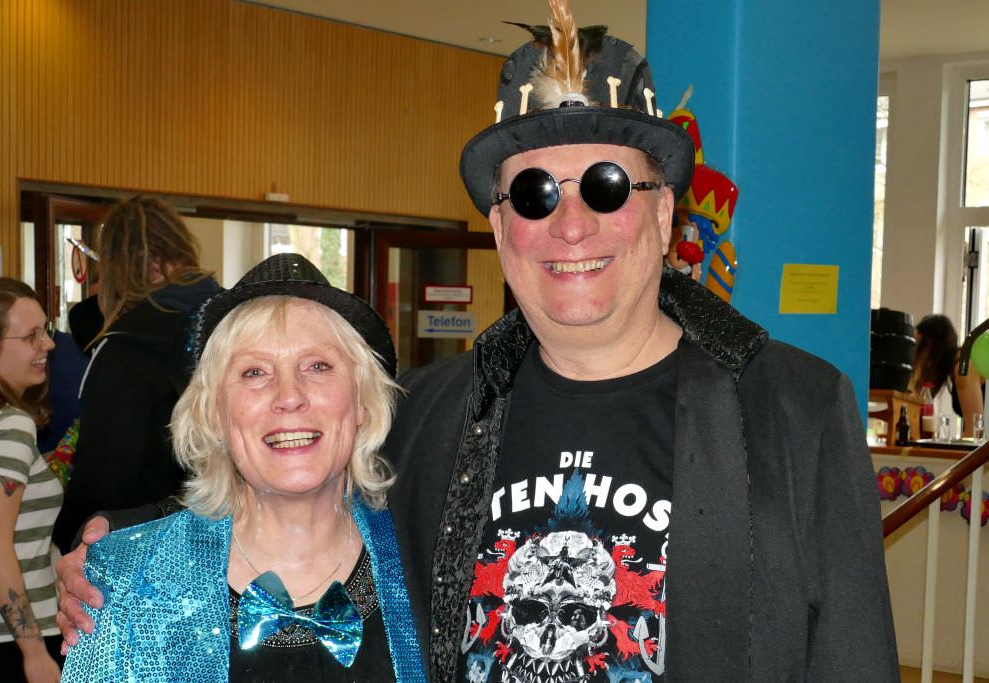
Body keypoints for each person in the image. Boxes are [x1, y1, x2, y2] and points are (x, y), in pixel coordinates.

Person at [58, 2, 899, 679]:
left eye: (607, 186)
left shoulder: (791, 409)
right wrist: (121, 542)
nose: (571, 224)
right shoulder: (434, 412)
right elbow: (298, 487)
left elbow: (854, 655)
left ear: (662, 213)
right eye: (534, 194)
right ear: (500, 228)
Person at [60, 253, 425, 681]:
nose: (289, 396)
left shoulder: (429, 561)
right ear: (213, 414)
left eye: (317, 366)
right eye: (254, 372)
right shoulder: (125, 583)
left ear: (362, 402)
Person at [51, 196, 221, 551]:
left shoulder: (125, 347)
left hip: (143, 548)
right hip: (230, 532)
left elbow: (103, 478)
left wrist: (67, 537)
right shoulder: (231, 324)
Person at [0, 278, 64, 682]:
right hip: (7, 641)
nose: (49, 345)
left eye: (46, 330)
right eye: (31, 336)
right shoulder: (10, 426)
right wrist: (34, 652)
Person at [911, 314, 985, 438]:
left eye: (917, 344)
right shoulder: (956, 366)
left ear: (930, 344)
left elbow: (974, 432)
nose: (915, 353)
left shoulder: (963, 367)